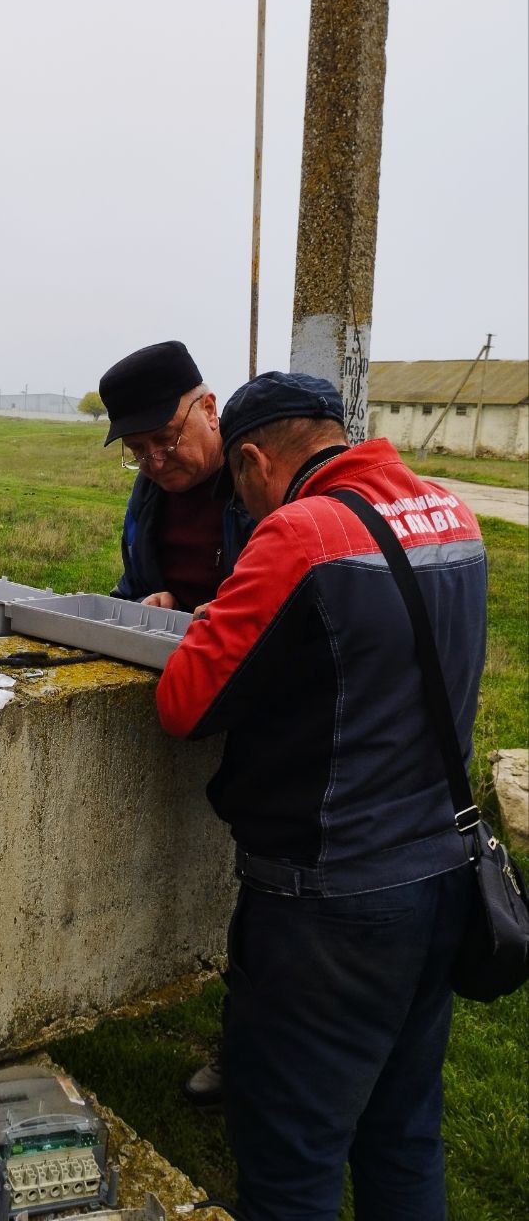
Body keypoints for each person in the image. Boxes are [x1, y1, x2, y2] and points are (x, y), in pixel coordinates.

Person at [156, 372, 487, 1221]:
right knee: (403, 1134)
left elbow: (185, 703)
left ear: (257, 459)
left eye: (238, 479)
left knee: (292, 1159)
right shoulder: (453, 515)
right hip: (441, 871)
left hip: (329, 903)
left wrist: (208, 617)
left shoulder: (301, 534)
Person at [98, 341, 253, 613]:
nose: (155, 463)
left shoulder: (258, 485)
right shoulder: (146, 495)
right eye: (138, 449)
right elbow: (130, 588)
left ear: (209, 410)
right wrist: (144, 604)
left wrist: (233, 616)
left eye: (166, 438)